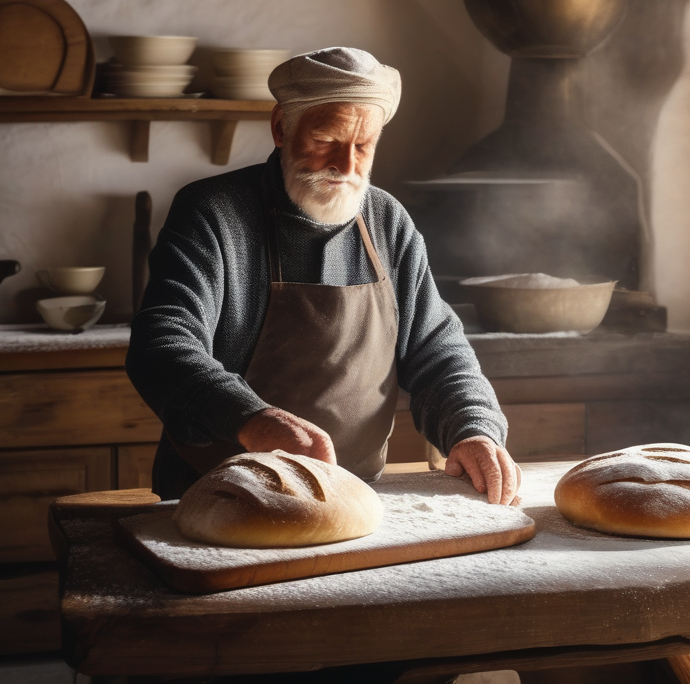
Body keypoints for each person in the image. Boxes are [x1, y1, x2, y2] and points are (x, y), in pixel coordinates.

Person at [127, 47, 517, 504]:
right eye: (326, 140)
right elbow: (162, 344)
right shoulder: (213, 213)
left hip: (356, 500)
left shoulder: (387, 220)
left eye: (363, 146)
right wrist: (253, 419)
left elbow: (437, 349)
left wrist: (473, 428)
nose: (347, 166)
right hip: (216, 495)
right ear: (280, 128)